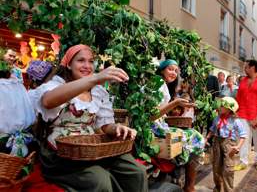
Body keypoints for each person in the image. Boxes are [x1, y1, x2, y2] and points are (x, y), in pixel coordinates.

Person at [28, 44, 147, 192]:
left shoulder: (97, 91)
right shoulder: (57, 85)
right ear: (69, 64)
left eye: (91, 61)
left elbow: (104, 125)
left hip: (92, 147)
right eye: (81, 60)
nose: (87, 65)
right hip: (60, 152)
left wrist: (116, 127)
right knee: (99, 180)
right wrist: (96, 77)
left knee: (136, 172)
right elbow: (48, 101)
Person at [154, 59, 205, 192]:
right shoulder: (157, 83)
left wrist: (177, 105)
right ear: (161, 70)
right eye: (170, 69)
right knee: (197, 137)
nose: (174, 73)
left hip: (159, 124)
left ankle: (187, 183)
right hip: (153, 127)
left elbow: (161, 111)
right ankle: (189, 186)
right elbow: (153, 115)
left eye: (176, 71)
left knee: (192, 135)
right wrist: (176, 103)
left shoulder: (163, 85)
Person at [206, 97, 246, 192]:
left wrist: (238, 146)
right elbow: (212, 129)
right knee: (216, 167)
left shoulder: (236, 121)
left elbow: (243, 135)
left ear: (228, 109)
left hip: (229, 145)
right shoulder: (217, 118)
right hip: (217, 143)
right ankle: (217, 188)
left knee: (228, 169)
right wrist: (206, 138)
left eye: (222, 106)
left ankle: (228, 189)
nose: (219, 107)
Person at [0, 60, 36, 157]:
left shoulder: (9, 85)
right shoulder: (18, 85)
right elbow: (30, 115)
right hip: (25, 140)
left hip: (4, 144)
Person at [235, 59, 257, 171]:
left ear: (253, 68)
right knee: (244, 138)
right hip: (243, 113)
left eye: (246, 67)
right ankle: (243, 162)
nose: (244, 68)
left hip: (255, 115)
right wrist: (236, 111)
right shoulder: (243, 80)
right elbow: (238, 97)